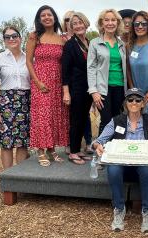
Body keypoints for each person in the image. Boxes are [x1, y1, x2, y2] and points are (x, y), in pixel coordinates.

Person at [92, 88, 148, 233]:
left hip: (142, 165)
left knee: (147, 170)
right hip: (122, 166)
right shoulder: (116, 121)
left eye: (138, 100)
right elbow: (98, 141)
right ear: (125, 103)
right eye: (130, 100)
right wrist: (97, 146)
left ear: (142, 104)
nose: (134, 102)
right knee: (113, 168)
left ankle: (147, 212)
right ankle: (119, 209)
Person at [26, 5, 69, 166]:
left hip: (57, 82)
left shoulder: (62, 39)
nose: (46, 17)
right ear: (39, 19)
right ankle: (41, 151)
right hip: (40, 81)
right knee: (42, 116)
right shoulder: (34, 37)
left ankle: (51, 150)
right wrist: (37, 82)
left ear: (54, 17)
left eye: (49, 15)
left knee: (54, 115)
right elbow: (28, 61)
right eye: (42, 15)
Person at [0, 26, 30, 170]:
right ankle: (8, 178)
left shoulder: (29, 57)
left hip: (25, 101)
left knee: (22, 142)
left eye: (14, 36)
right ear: (4, 41)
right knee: (6, 141)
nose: (11, 39)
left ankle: (20, 179)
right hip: (5, 102)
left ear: (20, 38)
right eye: (7, 37)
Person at [87, 9, 127, 134]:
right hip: (103, 89)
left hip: (120, 88)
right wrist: (93, 91)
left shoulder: (122, 44)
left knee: (119, 120)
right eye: (107, 20)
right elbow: (91, 68)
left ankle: (116, 149)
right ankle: (101, 150)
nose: (110, 23)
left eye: (113, 20)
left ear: (118, 23)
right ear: (101, 23)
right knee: (106, 120)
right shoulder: (95, 43)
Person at [62, 12, 93, 165]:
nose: (78, 26)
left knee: (83, 119)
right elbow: (65, 71)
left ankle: (78, 149)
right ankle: (73, 152)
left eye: (81, 23)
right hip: (76, 88)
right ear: (71, 27)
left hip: (88, 88)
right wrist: (66, 92)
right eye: (75, 24)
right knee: (76, 120)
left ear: (86, 24)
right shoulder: (70, 44)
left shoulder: (89, 42)